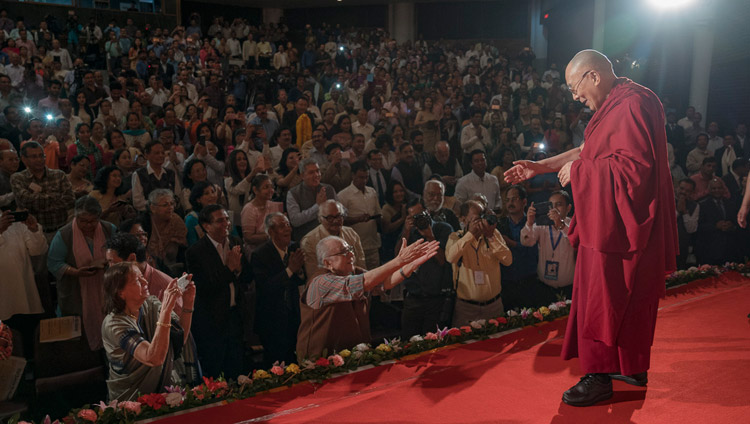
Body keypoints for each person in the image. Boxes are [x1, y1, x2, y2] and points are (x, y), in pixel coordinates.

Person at [505, 50, 678, 406]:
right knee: (628, 297)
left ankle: (598, 377)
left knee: (603, 299)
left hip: (617, 225)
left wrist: (581, 175)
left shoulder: (631, 105)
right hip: (621, 219)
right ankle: (631, 366)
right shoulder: (624, 100)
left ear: (594, 76)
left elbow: (634, 171)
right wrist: (541, 167)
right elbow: (590, 149)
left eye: (575, 87)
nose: (574, 97)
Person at [296, 235, 439, 360]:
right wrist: (399, 261)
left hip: (353, 353)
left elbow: (383, 283)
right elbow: (364, 282)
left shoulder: (354, 272)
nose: (351, 255)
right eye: (343, 252)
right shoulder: (321, 282)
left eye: (350, 249)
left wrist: (410, 265)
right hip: (321, 359)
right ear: (328, 263)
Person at [101, 261, 196, 400]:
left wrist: (188, 303)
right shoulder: (114, 324)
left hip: (163, 394)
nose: (145, 281)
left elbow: (179, 339)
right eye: (137, 280)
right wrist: (166, 310)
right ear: (120, 292)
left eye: (142, 276)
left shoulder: (151, 304)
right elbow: (153, 358)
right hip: (131, 401)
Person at [48, 196, 117, 350]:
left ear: (99, 217)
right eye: (83, 221)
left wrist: (108, 263)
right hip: (76, 292)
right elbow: (54, 263)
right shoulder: (64, 235)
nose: (87, 225)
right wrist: (76, 272)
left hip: (105, 289)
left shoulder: (109, 229)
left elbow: (120, 254)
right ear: (76, 217)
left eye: (92, 221)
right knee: (81, 339)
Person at [185, 204, 246, 379]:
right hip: (213, 321)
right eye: (220, 221)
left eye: (227, 219)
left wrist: (239, 269)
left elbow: (247, 277)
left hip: (235, 315)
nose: (226, 223)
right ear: (206, 226)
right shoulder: (195, 252)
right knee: (216, 372)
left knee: (238, 369)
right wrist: (229, 269)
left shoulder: (235, 242)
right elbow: (204, 288)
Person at [250, 213, 305, 367]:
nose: (287, 228)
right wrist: (290, 270)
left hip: (293, 315)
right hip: (272, 319)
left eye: (288, 224)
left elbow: (301, 279)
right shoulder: (260, 254)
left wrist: (298, 272)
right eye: (282, 226)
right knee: (277, 365)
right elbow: (266, 287)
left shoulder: (294, 247)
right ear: (271, 232)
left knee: (296, 361)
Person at [446, 200, 512, 326]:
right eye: (477, 218)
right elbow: (451, 258)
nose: (481, 221)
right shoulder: (455, 237)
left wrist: (491, 237)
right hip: (466, 309)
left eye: (483, 216)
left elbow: (508, 260)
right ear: (464, 220)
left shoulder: (493, 235)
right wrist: (470, 234)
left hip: (494, 306)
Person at [399, 200, 453, 337]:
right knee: (408, 341)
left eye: (421, 215)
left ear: (427, 212)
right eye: (413, 217)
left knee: (433, 342)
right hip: (413, 298)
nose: (419, 220)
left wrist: (430, 236)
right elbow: (397, 259)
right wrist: (406, 231)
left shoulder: (443, 229)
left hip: (436, 299)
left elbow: (443, 261)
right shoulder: (409, 233)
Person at [0, 210, 46, 355]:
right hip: (3, 299)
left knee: (29, 343)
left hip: (24, 294)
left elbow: (37, 250)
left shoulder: (15, 223)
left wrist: (33, 229)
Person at [520, 191, 575, 307]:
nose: (554, 209)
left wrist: (560, 224)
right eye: (552, 205)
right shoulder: (542, 224)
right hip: (544, 288)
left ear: (568, 208)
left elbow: (575, 241)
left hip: (569, 288)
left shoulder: (574, 225)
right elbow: (527, 242)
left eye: (559, 205)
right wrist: (529, 223)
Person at [11, 141, 75, 237]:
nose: (39, 159)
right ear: (24, 159)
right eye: (34, 157)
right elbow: (25, 201)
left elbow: (70, 200)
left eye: (41, 155)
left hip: (61, 230)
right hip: (33, 233)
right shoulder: (18, 178)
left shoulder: (59, 175)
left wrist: (37, 206)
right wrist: (55, 197)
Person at [301, 199, 366, 279]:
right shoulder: (309, 241)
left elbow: (361, 263)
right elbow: (314, 274)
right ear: (320, 219)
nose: (335, 221)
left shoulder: (351, 233)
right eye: (330, 218)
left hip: (354, 282)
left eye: (338, 216)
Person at [338, 161, 382, 269]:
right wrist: (357, 219)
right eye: (361, 177)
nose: (364, 180)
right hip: (354, 245)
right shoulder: (343, 195)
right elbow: (340, 221)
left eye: (366, 177)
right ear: (353, 175)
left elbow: (378, 213)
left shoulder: (372, 192)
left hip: (372, 243)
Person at [286, 158, 336, 241]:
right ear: (302, 176)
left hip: (330, 237)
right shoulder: (293, 193)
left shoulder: (328, 189)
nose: (316, 175)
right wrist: (317, 206)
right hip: (306, 239)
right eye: (311, 172)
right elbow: (295, 220)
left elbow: (343, 212)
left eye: (318, 171)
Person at [143, 189, 187, 276]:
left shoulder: (176, 221)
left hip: (173, 267)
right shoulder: (144, 222)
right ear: (152, 208)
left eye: (171, 203)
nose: (170, 207)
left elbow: (184, 245)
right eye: (165, 205)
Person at [695, 178, 738, 265]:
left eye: (719, 188)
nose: (717, 190)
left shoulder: (731, 204)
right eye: (714, 188)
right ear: (709, 190)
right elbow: (698, 227)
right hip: (710, 249)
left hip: (729, 249)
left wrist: (732, 226)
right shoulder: (702, 205)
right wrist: (715, 226)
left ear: (723, 189)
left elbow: (737, 223)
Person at [241, 174, 284, 256]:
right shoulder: (249, 209)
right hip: (257, 250)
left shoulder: (274, 205)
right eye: (266, 187)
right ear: (255, 190)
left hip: (274, 246)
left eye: (271, 187)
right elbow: (248, 238)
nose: (271, 190)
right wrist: (271, 236)